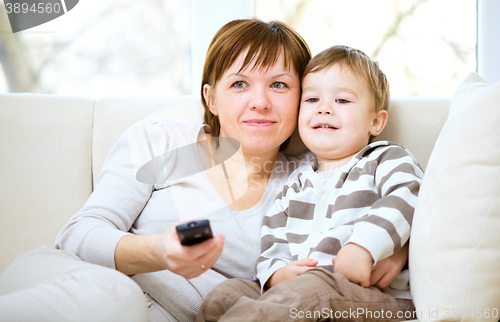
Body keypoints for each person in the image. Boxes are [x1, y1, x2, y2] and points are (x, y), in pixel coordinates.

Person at [0, 22, 408, 322]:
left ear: (303, 97)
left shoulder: (308, 183)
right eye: (240, 84)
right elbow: (77, 236)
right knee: (115, 299)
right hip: (77, 283)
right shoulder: (162, 143)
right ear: (211, 98)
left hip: (171, 317)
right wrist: (158, 251)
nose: (261, 102)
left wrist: (401, 248)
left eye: (280, 85)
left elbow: (394, 206)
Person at [196, 45, 424, 322]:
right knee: (227, 294)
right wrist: (277, 274)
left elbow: (409, 198)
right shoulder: (295, 181)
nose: (324, 109)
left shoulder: (385, 159)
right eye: (312, 99)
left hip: (376, 297)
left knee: (311, 290)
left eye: (342, 101)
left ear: (376, 121)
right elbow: (273, 239)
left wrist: (364, 246)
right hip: (303, 290)